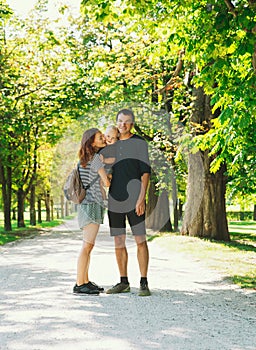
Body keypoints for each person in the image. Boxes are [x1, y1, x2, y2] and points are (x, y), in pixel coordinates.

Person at [106, 109, 151, 296]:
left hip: (135, 199)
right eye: (120, 121)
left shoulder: (139, 143)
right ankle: (123, 281)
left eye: (127, 121)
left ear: (132, 123)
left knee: (140, 240)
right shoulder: (111, 144)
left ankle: (144, 282)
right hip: (115, 200)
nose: (123, 124)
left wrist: (141, 199)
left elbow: (145, 173)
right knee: (119, 240)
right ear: (116, 122)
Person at [73, 128, 110, 295]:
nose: (103, 139)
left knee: (88, 246)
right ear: (91, 142)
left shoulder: (84, 159)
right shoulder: (95, 159)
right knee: (87, 246)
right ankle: (80, 284)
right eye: (100, 137)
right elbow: (106, 183)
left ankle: (85, 281)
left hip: (86, 204)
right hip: (91, 205)